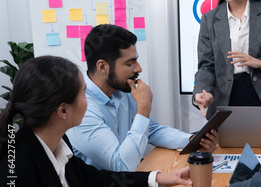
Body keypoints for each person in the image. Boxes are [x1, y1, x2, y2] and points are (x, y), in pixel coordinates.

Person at [0, 56, 192, 187]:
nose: (88, 100)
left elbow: (94, 179)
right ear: (63, 110)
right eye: (84, 93)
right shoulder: (15, 171)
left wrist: (159, 178)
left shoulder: (58, 141)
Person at [66, 24, 218, 171]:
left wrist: (192, 140)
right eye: (129, 63)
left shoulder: (122, 90)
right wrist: (143, 109)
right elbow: (121, 165)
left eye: (136, 60)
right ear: (102, 67)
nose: (138, 68)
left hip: (126, 183)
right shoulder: (82, 108)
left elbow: (150, 130)